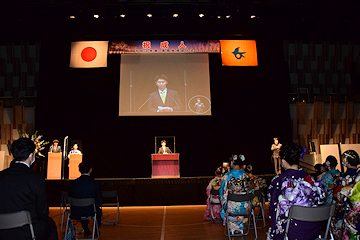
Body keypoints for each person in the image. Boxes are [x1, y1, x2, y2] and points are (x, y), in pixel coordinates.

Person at [0, 138, 58, 240]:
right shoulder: (36, 178)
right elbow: (43, 212)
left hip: (2, 231)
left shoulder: (1, 175)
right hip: (26, 230)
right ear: (31, 156)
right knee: (51, 225)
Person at [266, 142, 326, 240]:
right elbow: (320, 199)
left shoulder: (279, 181)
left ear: (283, 160)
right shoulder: (310, 179)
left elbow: (272, 207)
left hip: (290, 231)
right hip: (312, 229)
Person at [219, 154, 256, 235]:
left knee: (226, 201)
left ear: (232, 163)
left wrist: (223, 200)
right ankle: (240, 226)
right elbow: (252, 191)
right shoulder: (246, 175)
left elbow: (222, 192)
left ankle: (233, 227)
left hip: (232, 207)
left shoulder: (227, 176)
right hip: (246, 207)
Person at [68, 162, 102, 237]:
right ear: (90, 170)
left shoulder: (73, 183)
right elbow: (99, 200)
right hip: (90, 210)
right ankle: (95, 231)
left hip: (75, 211)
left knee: (82, 209)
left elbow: (69, 196)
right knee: (98, 212)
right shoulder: (95, 183)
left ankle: (86, 229)